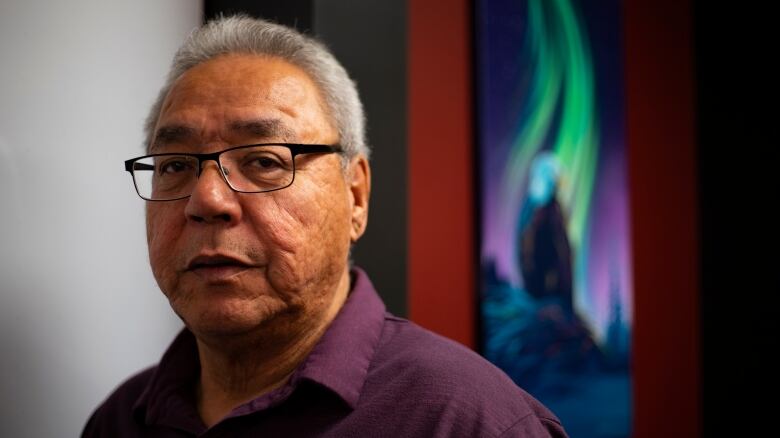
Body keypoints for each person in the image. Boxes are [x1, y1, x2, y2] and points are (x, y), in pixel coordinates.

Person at [82, 15, 568, 437]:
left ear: (355, 196)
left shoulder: (467, 421)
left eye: (265, 161)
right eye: (174, 166)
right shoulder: (122, 420)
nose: (207, 199)